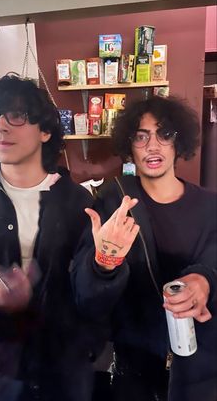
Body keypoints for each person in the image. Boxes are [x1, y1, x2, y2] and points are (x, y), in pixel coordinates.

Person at [71, 96, 217, 401]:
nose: (153, 146)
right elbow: (86, 300)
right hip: (133, 372)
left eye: (164, 134)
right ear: (129, 144)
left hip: (200, 371)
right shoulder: (112, 205)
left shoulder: (210, 207)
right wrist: (103, 264)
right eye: (141, 136)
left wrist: (204, 281)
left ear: (179, 141)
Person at [0, 74, 104, 401]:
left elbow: (91, 295)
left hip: (64, 366)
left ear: (45, 131)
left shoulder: (79, 203)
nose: (0, 127)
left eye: (16, 115)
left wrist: (109, 264)